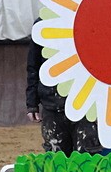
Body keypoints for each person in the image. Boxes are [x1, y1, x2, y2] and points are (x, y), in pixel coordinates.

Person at [26, 21, 100, 154]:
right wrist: (32, 102)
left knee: (87, 159)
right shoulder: (42, 24)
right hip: (52, 105)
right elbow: (34, 65)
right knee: (56, 160)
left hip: (86, 104)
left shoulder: (90, 17)